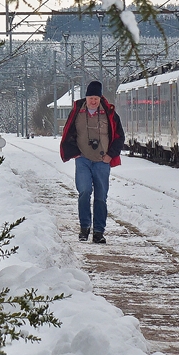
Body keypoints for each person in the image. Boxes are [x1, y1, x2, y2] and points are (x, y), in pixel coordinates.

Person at [60, 81, 125, 244]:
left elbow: (119, 136)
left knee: (101, 197)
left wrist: (110, 155)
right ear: (86, 97)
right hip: (83, 159)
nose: (93, 101)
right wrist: (74, 152)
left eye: (96, 98)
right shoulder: (77, 111)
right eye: (91, 98)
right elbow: (68, 132)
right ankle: (84, 227)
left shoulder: (109, 113)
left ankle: (98, 232)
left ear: (100, 98)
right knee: (84, 192)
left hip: (102, 161)